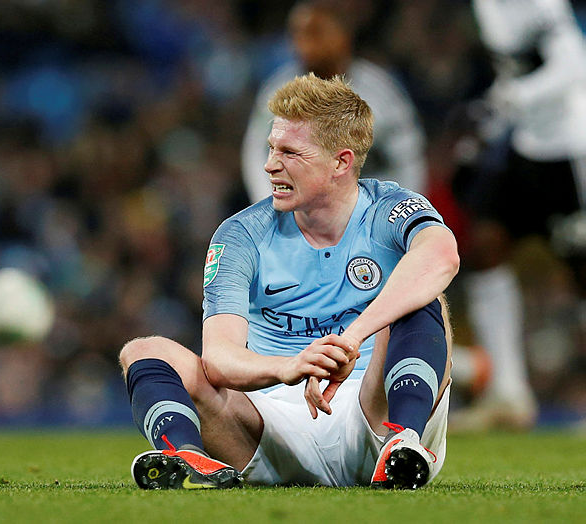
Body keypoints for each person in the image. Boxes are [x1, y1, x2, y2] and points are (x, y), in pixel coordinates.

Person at [119, 74, 460, 490]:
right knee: (143, 351)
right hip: (268, 428)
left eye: (290, 152)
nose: (269, 165)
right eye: (271, 148)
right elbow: (219, 358)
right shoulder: (241, 234)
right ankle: (188, 459)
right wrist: (290, 367)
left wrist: (351, 339)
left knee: (426, 300)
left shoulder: (390, 208)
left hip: (373, 410)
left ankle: (403, 444)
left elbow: (442, 256)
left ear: (341, 162)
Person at [450, 0, 586, 430]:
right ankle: (508, 393)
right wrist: (490, 116)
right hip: (526, 143)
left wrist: (511, 99)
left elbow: (573, 65)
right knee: (487, 244)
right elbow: (514, 71)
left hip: (570, 146)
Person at [242, 0, 427, 200]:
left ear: (343, 36)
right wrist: (275, 205)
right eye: (299, 34)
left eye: (316, 33)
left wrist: (398, 208)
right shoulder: (279, 90)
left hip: (369, 204)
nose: (305, 43)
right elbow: (256, 154)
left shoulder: (379, 89)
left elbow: (408, 155)